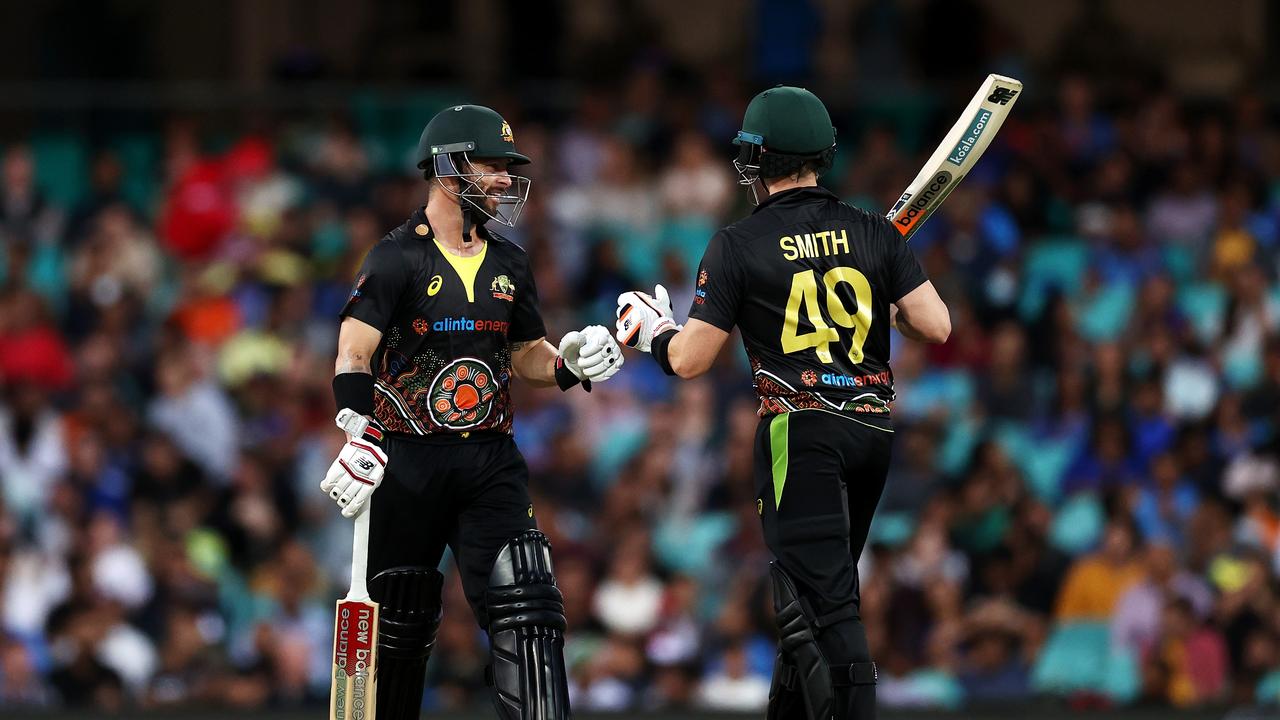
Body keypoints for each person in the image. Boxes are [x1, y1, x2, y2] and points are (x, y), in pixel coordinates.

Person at [614, 86, 950, 719]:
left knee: (828, 605)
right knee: (805, 598)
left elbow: (689, 360)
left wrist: (652, 329)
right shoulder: (874, 230)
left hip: (800, 432)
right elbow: (935, 326)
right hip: (873, 430)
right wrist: (893, 314)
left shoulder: (737, 244)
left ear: (761, 160)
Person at [321, 104, 622, 720]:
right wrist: (355, 430)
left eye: (509, 169)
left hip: (489, 461)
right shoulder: (394, 258)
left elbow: (525, 355)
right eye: (493, 166)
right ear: (449, 168)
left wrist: (569, 362)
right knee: (396, 625)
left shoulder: (510, 262)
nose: (507, 181)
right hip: (404, 461)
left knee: (528, 605)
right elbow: (353, 355)